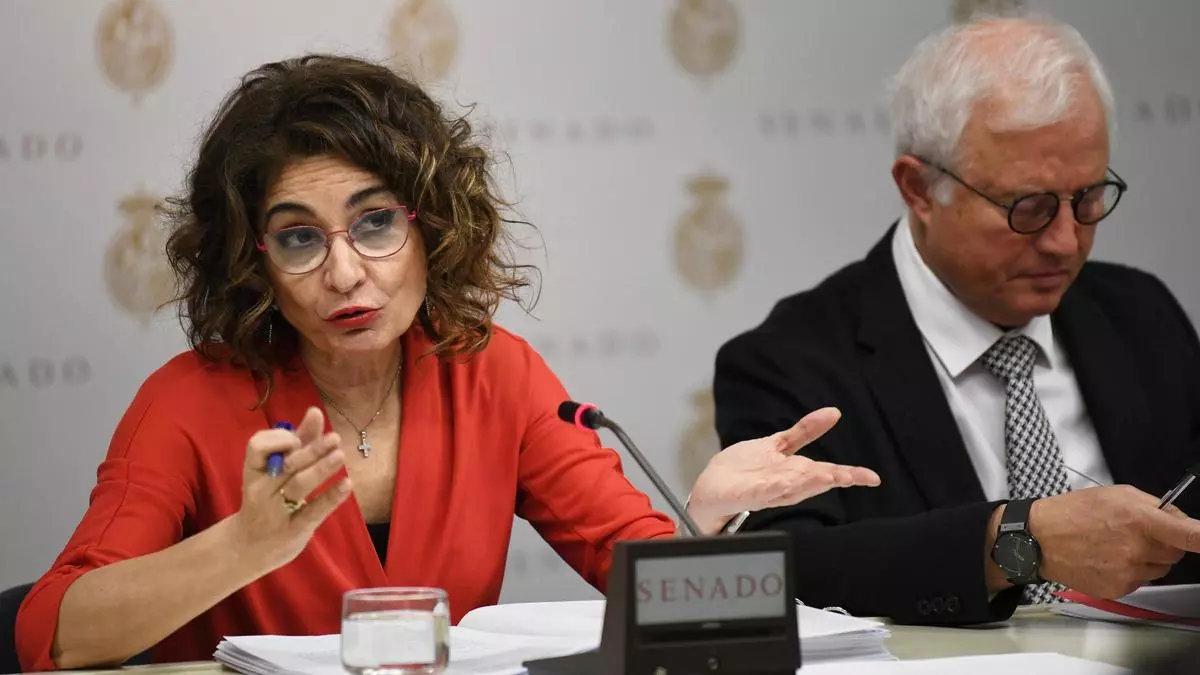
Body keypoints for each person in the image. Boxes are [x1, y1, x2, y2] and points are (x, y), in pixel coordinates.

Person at [15, 55, 880, 670]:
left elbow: (643, 578)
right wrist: (241, 545)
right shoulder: (188, 401)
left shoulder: (492, 372)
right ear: (252, 261)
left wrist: (708, 517)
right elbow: (53, 631)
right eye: (299, 238)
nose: (346, 272)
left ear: (435, 226)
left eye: (376, 222)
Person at [714, 14, 1200, 626]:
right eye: (1030, 207)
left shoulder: (1140, 315)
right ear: (919, 189)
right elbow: (782, 571)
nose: (1065, 241)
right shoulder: (790, 362)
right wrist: (1016, 542)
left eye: (1089, 198)